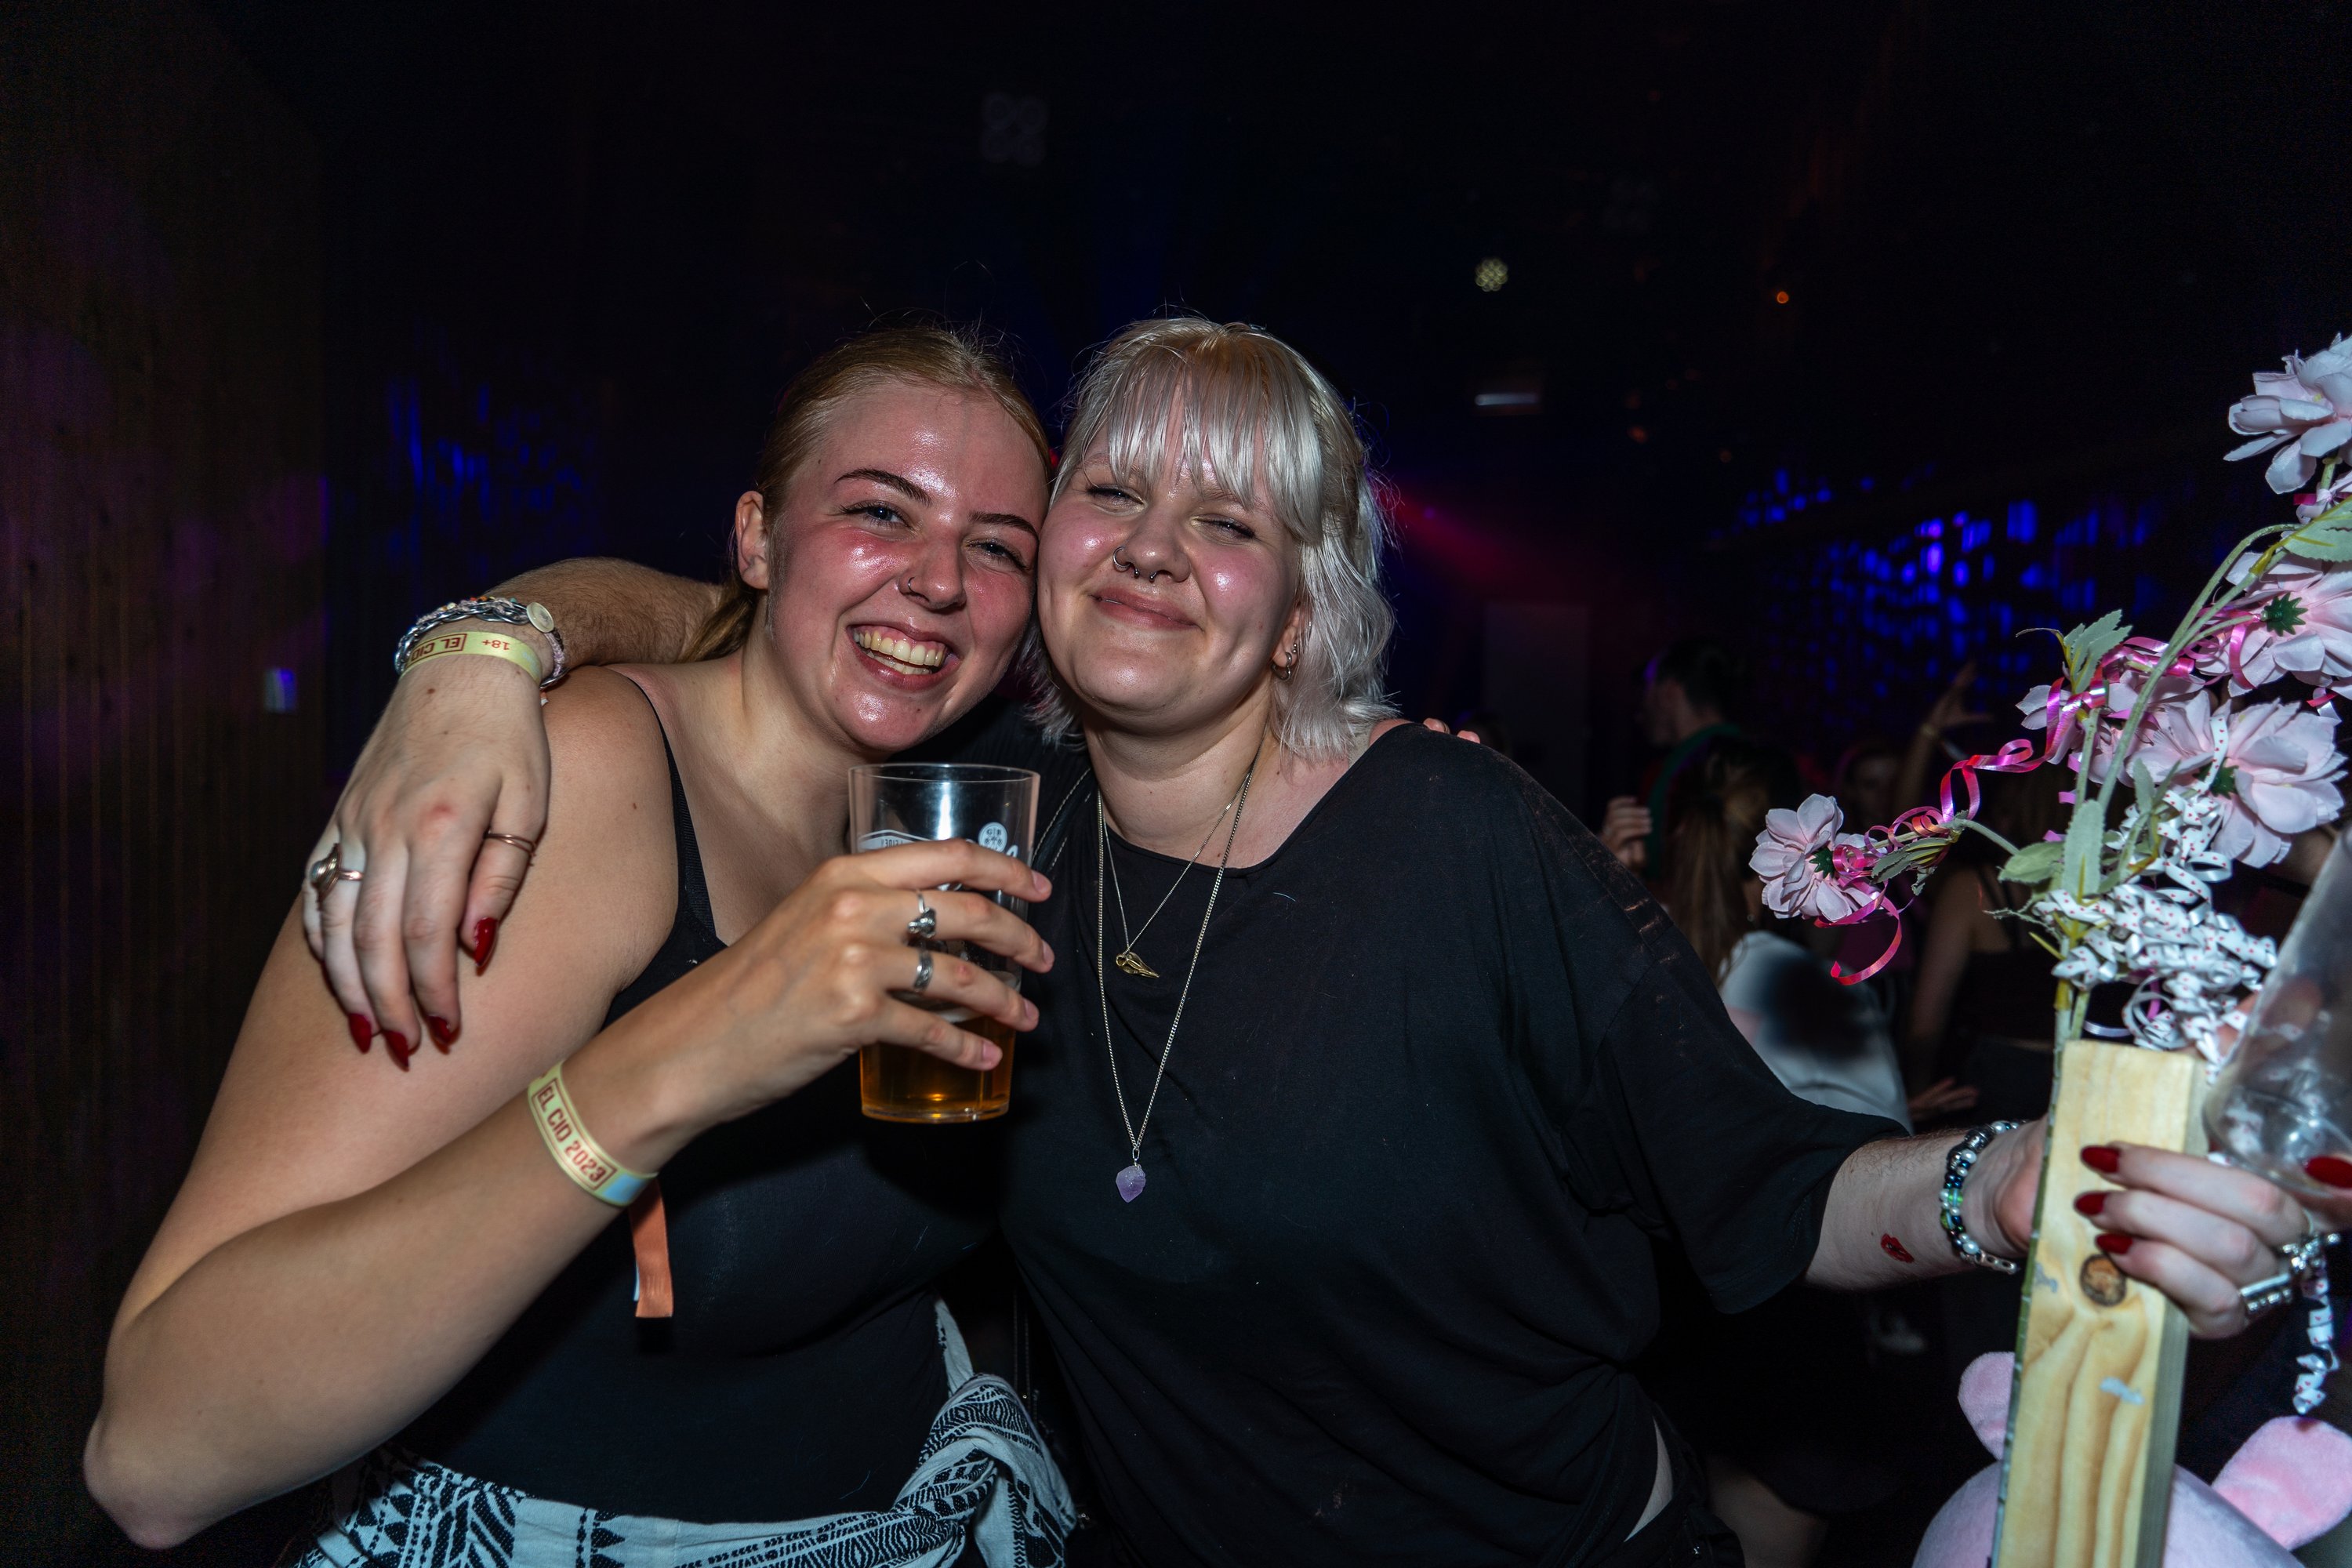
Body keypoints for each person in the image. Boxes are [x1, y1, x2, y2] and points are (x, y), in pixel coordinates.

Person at [218, 318, 2337, 1566]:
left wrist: (1998, 1188)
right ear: (1043, 571)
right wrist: (478, 652)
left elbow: (1766, 1183)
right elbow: (723, 613)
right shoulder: (978, 817)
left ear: (1301, 598)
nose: (1154, 551)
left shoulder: (1465, 835)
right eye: (1111, 500)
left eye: (1226, 520)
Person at [84, 327, 1078, 1567]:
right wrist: (689, 1053)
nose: (937, 580)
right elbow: (157, 1451)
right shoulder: (579, 781)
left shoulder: (961, 805)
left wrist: (501, 626)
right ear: (758, 537)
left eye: (997, 547)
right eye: (881, 511)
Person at [1646, 737, 1910, 1568]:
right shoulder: (1798, 985)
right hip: (1784, 1346)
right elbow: (1888, 1168)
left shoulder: (1630, 969)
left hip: (1658, 1338)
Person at [1596, 637, 1744, 879]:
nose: (1642, 706)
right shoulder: (1762, 757)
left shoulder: (1673, 773)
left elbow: (1661, 878)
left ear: (1669, 692)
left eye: (1647, 687)